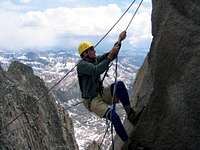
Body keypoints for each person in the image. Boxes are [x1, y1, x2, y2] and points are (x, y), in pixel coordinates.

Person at [77, 31, 138, 143]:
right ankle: (129, 144)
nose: (94, 50)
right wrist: (110, 57)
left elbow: (109, 54)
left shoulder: (93, 60)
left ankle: (130, 113)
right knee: (114, 116)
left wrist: (119, 40)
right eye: (91, 49)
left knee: (119, 85)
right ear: (85, 53)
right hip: (92, 100)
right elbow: (96, 70)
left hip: (99, 93)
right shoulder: (81, 65)